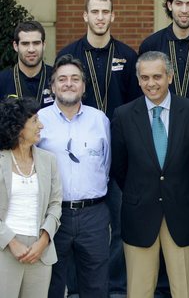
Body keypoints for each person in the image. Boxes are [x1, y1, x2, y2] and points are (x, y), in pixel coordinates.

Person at [57, 0, 140, 296]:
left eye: (106, 12)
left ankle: (115, 285)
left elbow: (135, 107)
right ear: (85, 16)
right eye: (95, 12)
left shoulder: (128, 56)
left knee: (119, 225)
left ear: (113, 16)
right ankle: (76, 287)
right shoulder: (70, 54)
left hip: (118, 154)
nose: (100, 17)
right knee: (75, 228)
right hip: (78, 156)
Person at [110, 51, 189, 298]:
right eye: (144, 78)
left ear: (170, 77)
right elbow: (119, 167)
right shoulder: (123, 116)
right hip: (139, 214)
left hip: (183, 214)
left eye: (157, 76)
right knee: (139, 291)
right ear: (138, 80)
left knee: (185, 290)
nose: (151, 83)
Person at [38, 54, 111, 298]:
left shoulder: (100, 120)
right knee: (51, 283)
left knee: (96, 284)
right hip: (52, 215)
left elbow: (106, 164)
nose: (68, 83)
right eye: (62, 79)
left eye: (75, 79)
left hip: (93, 215)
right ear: (53, 86)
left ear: (83, 85)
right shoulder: (39, 121)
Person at [0, 96, 62, 298]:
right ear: (18, 127)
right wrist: (12, 242)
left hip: (40, 253)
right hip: (5, 250)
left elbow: (55, 204)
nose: (41, 125)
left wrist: (44, 239)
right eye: (35, 120)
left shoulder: (48, 160)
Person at [0, 21, 54, 107]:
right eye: (25, 44)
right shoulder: (2, 81)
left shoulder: (57, 78)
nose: (31, 49)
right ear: (15, 46)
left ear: (43, 45)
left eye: (36, 43)